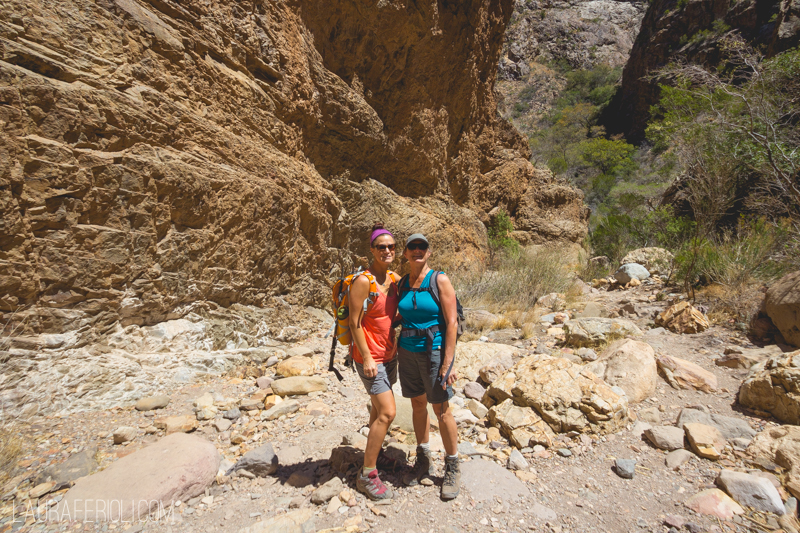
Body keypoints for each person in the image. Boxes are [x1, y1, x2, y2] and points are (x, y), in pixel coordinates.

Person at [397, 233, 461, 500]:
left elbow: (452, 323)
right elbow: (398, 316)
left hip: (433, 353)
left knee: (442, 410)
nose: (417, 251)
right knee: (417, 405)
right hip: (407, 353)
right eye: (412, 247)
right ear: (405, 254)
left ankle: (453, 466)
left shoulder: (440, 280)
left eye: (422, 247)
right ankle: (423, 459)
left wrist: (448, 362)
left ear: (429, 252)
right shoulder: (402, 283)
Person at [349, 223, 401, 500]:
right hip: (370, 358)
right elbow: (355, 323)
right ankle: (367, 475)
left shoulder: (394, 279)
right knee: (387, 412)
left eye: (391, 246)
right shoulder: (363, 281)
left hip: (389, 355)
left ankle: (374, 452)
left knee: (376, 408)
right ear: (372, 250)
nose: (387, 251)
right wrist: (367, 356)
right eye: (381, 247)